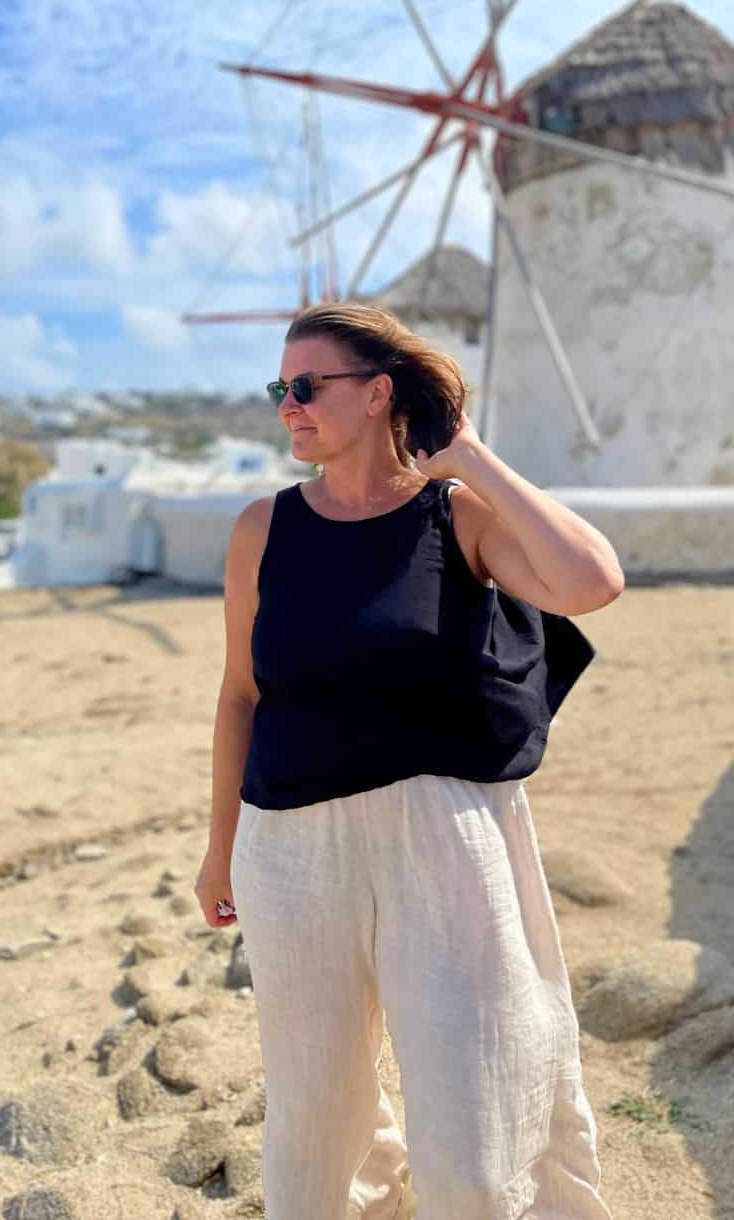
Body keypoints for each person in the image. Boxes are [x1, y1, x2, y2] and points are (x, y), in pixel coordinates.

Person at [195, 301, 622, 1220]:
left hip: (447, 844)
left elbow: (594, 582)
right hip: (290, 848)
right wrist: (219, 847)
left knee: (473, 1134)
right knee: (314, 1133)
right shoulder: (260, 531)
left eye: (307, 387)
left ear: (377, 392)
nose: (289, 406)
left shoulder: (457, 517)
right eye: (280, 389)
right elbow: (240, 695)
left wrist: (467, 458)